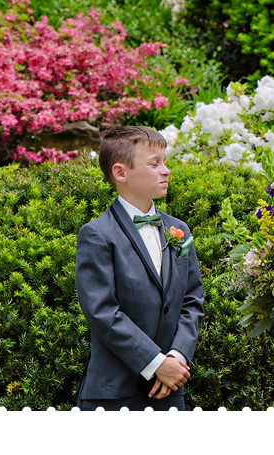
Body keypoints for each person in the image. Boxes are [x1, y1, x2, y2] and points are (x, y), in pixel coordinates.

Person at [75, 126, 205, 411]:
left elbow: (192, 300)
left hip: (169, 390)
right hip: (113, 394)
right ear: (121, 173)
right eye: (154, 163)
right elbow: (102, 311)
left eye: (165, 162)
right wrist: (155, 363)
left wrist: (177, 357)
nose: (166, 170)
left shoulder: (178, 230)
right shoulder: (97, 234)